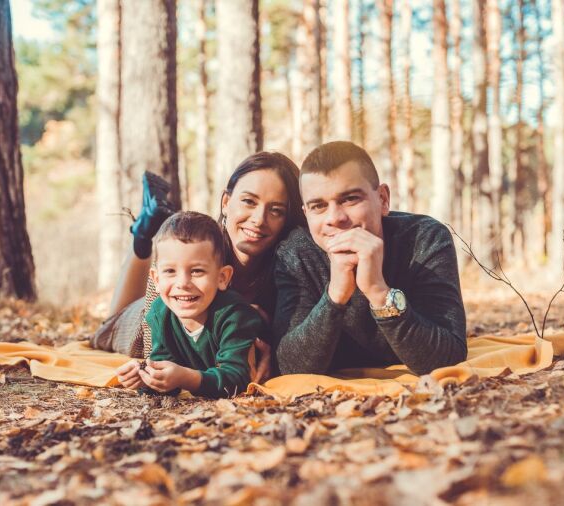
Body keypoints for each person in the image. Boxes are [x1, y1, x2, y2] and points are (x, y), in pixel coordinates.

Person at [89, 152, 305, 384]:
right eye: (249, 201)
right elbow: (158, 345)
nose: (259, 219)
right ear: (225, 203)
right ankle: (143, 234)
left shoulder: (287, 265)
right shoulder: (188, 253)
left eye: (275, 210)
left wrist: (268, 350)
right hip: (159, 315)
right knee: (106, 331)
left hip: (200, 314)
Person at [273, 141, 467, 375]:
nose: (334, 218)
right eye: (318, 206)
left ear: (383, 199)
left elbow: (449, 358)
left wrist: (379, 292)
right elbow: (291, 368)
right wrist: (335, 296)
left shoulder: (424, 239)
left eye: (350, 199)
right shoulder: (296, 253)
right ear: (306, 214)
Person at [116, 212, 266, 398]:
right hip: (127, 319)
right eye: (170, 271)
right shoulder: (159, 313)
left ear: (222, 277)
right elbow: (167, 371)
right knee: (106, 332)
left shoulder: (234, 316)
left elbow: (238, 380)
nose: (183, 283)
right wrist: (145, 376)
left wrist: (187, 378)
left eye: (196, 271)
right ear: (156, 279)